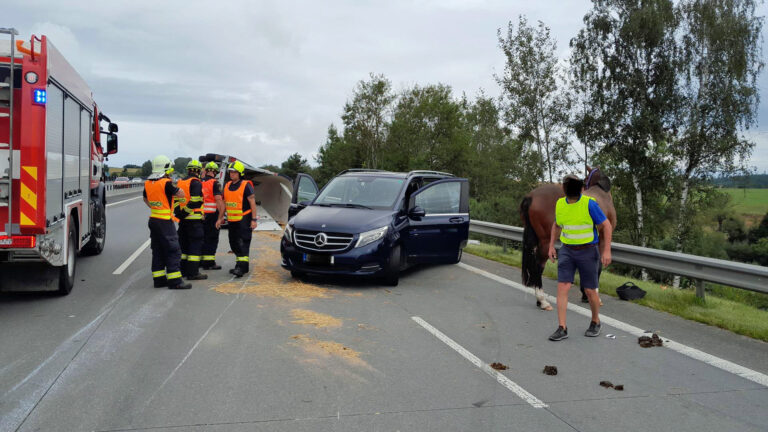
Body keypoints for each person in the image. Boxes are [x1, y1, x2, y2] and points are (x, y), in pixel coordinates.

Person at [548, 174, 612, 341]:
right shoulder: (560, 204)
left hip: (588, 251)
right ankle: (562, 328)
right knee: (563, 287)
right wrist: (551, 246)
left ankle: (595, 321)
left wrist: (606, 251)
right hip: (567, 250)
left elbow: (606, 225)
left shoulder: (590, 204)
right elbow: (556, 225)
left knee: (590, 291)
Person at [143, 155, 191, 290]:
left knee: (157, 250)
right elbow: (181, 194)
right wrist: (175, 183)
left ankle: (159, 280)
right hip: (165, 222)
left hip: (153, 220)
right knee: (173, 250)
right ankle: (175, 281)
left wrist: (156, 207)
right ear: (166, 167)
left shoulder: (148, 183)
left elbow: (145, 199)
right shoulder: (166, 183)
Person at [216, 160, 257, 278]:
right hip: (232, 220)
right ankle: (242, 265)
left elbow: (252, 203)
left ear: (240, 173)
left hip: (244, 218)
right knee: (233, 243)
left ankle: (241, 267)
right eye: (230, 172)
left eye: (234, 172)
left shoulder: (246, 185)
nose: (232, 174)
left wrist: (254, 220)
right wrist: (220, 219)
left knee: (243, 243)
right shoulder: (227, 185)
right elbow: (224, 204)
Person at [175, 159, 208, 280]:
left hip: (183, 221)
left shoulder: (180, 182)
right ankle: (193, 273)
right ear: (198, 171)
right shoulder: (196, 182)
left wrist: (179, 213)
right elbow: (195, 201)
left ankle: (183, 270)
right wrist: (184, 213)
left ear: (188, 170)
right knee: (195, 246)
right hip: (193, 220)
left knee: (184, 246)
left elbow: (175, 200)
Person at [201, 161, 225, 270]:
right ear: (215, 172)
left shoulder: (198, 182)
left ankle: (200, 261)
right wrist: (221, 217)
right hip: (212, 215)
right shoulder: (215, 183)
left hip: (200, 215)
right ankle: (209, 262)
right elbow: (219, 200)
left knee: (202, 238)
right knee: (212, 239)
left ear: (206, 171)